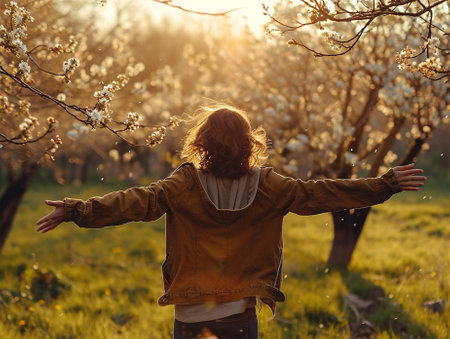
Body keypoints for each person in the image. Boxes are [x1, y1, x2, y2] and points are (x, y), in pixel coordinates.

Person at [36, 105, 427, 339]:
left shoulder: (183, 184)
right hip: (239, 315)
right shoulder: (270, 185)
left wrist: (76, 210)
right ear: (249, 143)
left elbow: (134, 202)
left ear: (201, 143)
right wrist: (382, 185)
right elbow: (319, 193)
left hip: (190, 315)